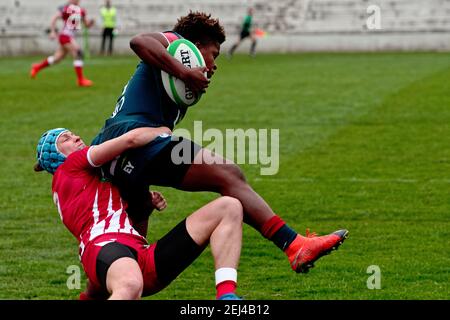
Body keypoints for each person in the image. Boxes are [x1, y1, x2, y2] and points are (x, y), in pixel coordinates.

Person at [92, 11, 349, 276]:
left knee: (131, 250)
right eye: (213, 53)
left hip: (120, 148)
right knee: (228, 174)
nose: (215, 64)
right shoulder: (176, 42)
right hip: (133, 139)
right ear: (195, 46)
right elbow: (139, 41)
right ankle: (293, 244)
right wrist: (185, 71)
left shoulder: (174, 79)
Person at [34, 126, 244, 300]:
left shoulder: (83, 185)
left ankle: (226, 297)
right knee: (129, 284)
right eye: (66, 139)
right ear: (56, 155)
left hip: (136, 252)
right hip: (103, 245)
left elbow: (136, 230)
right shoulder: (71, 165)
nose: (76, 136)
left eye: (72, 133)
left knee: (229, 207)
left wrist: (146, 206)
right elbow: (131, 140)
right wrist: (161, 131)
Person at [30, 0, 94, 87]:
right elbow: (55, 17)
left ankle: (37, 67)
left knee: (57, 59)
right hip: (65, 36)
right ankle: (80, 80)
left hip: (69, 37)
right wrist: (52, 31)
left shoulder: (81, 11)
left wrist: (90, 23)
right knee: (78, 53)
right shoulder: (68, 8)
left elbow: (86, 24)